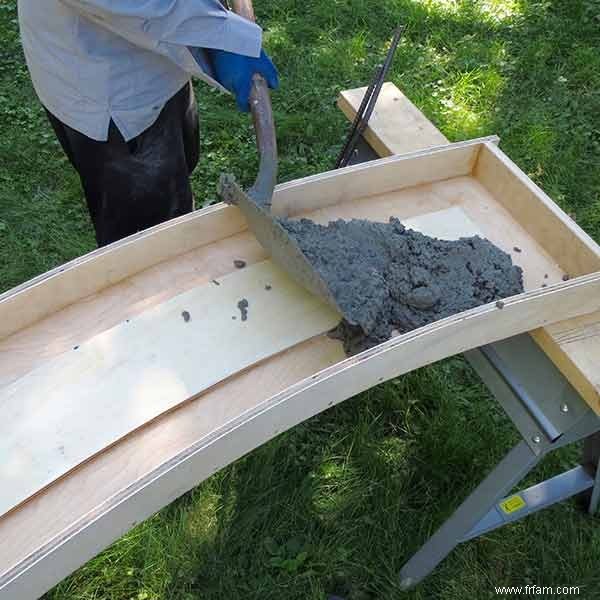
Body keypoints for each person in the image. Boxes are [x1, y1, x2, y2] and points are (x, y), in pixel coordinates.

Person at [17, 0, 279, 246]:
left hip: (154, 61)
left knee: (176, 172)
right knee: (149, 236)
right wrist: (221, 38)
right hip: (111, 85)